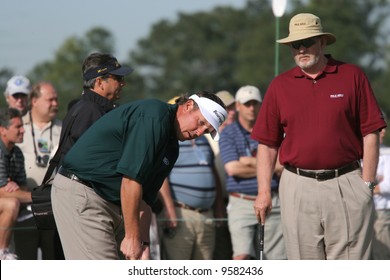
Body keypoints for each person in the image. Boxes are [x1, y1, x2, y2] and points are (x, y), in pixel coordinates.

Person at [251, 13, 387, 260]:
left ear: (322, 43)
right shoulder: (279, 86)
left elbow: (371, 132)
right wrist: (263, 191)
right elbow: (268, 144)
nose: (302, 48)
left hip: (346, 182)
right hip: (297, 185)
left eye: (308, 42)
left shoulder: (352, 76)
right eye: (295, 44)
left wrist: (366, 184)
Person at [51, 92, 227, 260]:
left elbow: (145, 201)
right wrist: (133, 238)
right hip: (83, 192)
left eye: (205, 131)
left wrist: (143, 244)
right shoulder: (154, 115)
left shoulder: (172, 148)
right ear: (188, 105)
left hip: (111, 202)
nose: (198, 132)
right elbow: (131, 180)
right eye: (200, 122)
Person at [219, 85, 286, 260]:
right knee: (242, 258)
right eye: (246, 104)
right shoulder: (228, 133)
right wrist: (267, 165)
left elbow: (281, 165)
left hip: (274, 200)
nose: (251, 108)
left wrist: (248, 162)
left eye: (255, 104)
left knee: (277, 259)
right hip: (241, 201)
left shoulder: (273, 129)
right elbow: (232, 168)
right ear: (238, 106)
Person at [56, 52, 133, 166]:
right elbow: (93, 159)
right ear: (100, 82)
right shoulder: (89, 111)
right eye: (118, 78)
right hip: (80, 183)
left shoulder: (86, 107)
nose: (123, 83)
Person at [14, 82, 63, 259]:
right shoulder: (19, 127)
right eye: (50, 99)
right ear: (34, 101)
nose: (55, 104)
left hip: (54, 208)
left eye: (56, 99)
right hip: (23, 210)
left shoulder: (63, 128)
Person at [159, 133, 224, 260]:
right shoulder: (169, 139)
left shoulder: (203, 139)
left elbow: (212, 171)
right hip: (181, 213)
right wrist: (169, 209)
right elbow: (161, 175)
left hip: (207, 215)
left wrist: (219, 206)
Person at [206, 90, 236, 260]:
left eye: (233, 108)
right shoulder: (207, 137)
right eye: (226, 108)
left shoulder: (241, 134)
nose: (231, 112)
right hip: (215, 204)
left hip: (238, 201)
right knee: (220, 254)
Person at [0, 108, 32, 260]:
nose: (23, 130)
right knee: (11, 203)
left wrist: (15, 189)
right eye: (18, 127)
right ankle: (2, 252)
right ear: (3, 130)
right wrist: (37, 197)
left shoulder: (17, 152)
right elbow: (3, 192)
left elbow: (22, 187)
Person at [372, 123, 390, 259]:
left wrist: (365, 187)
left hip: (381, 213)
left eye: (384, 129)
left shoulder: (387, 154)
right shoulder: (357, 154)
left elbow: (387, 186)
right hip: (362, 213)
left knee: (381, 256)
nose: (383, 132)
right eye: (380, 129)